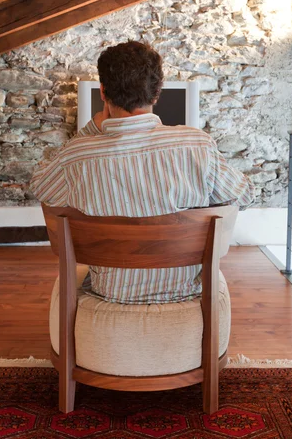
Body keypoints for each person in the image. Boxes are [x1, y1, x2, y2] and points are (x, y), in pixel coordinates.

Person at [30, 41, 254, 304]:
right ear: (157, 93)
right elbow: (244, 195)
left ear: (102, 92)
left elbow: (41, 188)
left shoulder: (77, 154)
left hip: (113, 293)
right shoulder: (198, 145)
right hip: (186, 291)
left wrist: (92, 130)